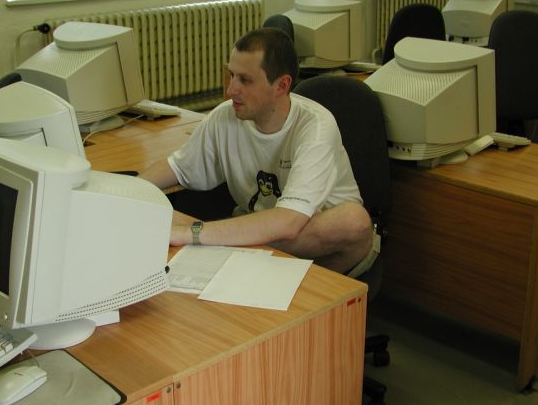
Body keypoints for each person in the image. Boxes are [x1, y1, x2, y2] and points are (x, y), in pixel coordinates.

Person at [140, 27, 375, 276]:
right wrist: (123, 192)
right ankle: (226, 249)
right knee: (169, 220)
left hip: (319, 244)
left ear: (281, 85)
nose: (231, 89)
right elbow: (177, 168)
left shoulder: (315, 126)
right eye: (231, 75)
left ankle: (221, 249)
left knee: (353, 220)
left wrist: (192, 233)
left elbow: (289, 222)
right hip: (261, 238)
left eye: (245, 80)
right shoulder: (224, 116)